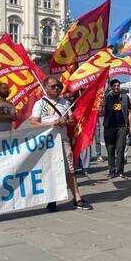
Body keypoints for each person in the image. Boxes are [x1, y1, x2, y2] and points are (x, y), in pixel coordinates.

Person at [31, 76, 92, 211]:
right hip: (48, 142)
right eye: (53, 86)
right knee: (50, 170)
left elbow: (72, 121)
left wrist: (65, 121)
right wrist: (52, 123)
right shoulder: (39, 104)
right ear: (45, 88)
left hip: (63, 139)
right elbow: (34, 123)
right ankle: (52, 200)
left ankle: (77, 197)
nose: (57, 88)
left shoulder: (65, 102)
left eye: (58, 86)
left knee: (70, 169)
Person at [100, 79, 131, 179]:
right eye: (115, 85)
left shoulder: (125, 97)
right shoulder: (106, 97)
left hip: (121, 127)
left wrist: (129, 126)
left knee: (121, 149)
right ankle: (111, 171)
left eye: (118, 85)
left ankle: (120, 171)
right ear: (111, 87)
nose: (117, 87)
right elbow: (102, 113)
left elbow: (130, 112)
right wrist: (102, 106)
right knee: (110, 149)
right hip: (109, 127)